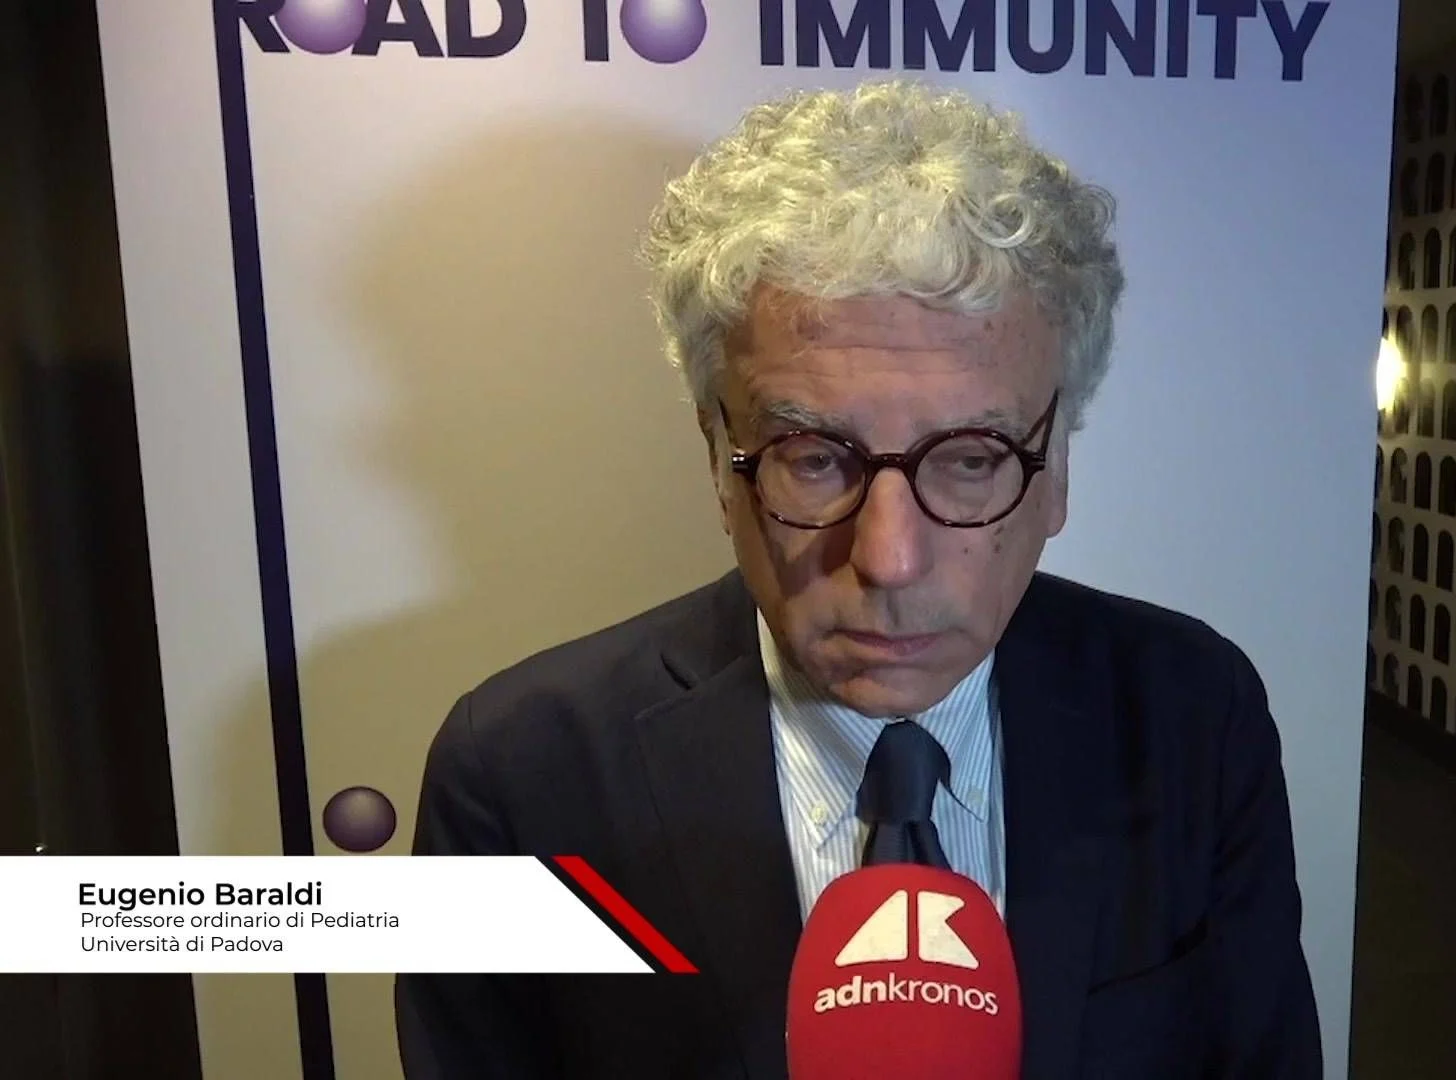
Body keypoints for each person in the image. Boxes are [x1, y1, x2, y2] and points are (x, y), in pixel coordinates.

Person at [395, 79, 1322, 1079]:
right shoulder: (520, 777)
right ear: (719, 460)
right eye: (813, 458)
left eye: (972, 459)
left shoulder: (1195, 714)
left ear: (1057, 470)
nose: (888, 559)